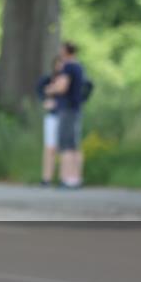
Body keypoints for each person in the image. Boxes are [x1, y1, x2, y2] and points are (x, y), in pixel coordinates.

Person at [45, 41, 86, 188]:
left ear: (66, 51)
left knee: (66, 145)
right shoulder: (79, 66)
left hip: (67, 109)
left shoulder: (68, 67)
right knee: (75, 145)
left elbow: (62, 87)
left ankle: (66, 179)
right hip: (75, 109)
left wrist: (51, 89)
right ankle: (76, 178)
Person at [35, 57, 63, 186]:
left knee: (63, 148)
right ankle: (47, 178)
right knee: (49, 148)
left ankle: (64, 177)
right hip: (52, 116)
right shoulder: (48, 79)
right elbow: (40, 90)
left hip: (65, 116)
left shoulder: (68, 79)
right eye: (58, 64)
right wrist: (45, 101)